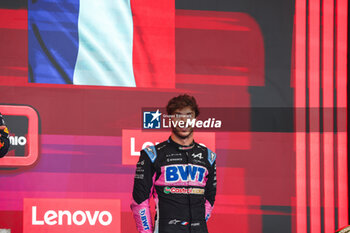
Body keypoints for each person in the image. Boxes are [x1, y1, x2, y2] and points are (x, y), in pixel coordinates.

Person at [131, 94, 217, 233]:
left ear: (195, 119)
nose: (184, 121)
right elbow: (139, 201)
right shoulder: (152, 155)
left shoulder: (209, 156)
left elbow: (209, 199)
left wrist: (197, 223)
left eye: (189, 115)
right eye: (178, 116)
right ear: (170, 119)